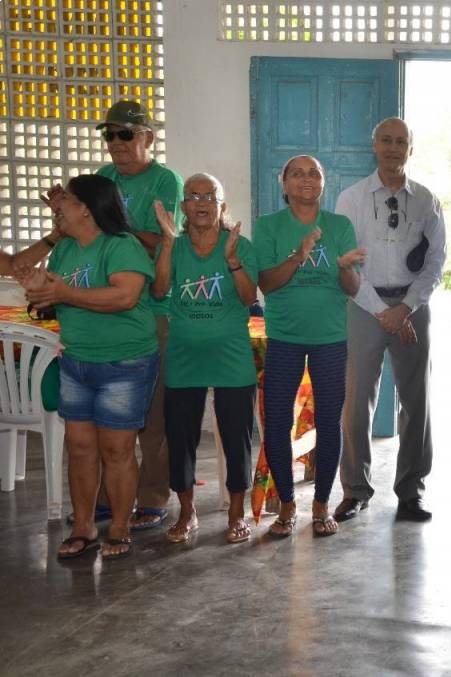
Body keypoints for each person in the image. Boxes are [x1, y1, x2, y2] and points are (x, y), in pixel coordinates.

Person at [20, 174, 159, 560]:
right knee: (80, 448)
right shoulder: (65, 249)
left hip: (124, 362)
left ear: (85, 208)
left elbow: (124, 296)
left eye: (65, 198)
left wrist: (63, 292)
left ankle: (119, 527)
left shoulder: (121, 245)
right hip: (77, 359)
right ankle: (83, 528)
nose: (57, 205)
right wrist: (41, 292)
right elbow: (59, 298)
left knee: (117, 450)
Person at [333, 118, 445, 523]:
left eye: (401, 142)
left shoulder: (427, 200)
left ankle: (412, 491)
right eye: (386, 140)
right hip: (364, 305)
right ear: (374, 145)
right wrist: (382, 310)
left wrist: (406, 307)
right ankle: (355, 490)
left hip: (412, 306)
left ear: (410, 149)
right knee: (356, 400)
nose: (393, 147)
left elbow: (435, 262)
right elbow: (345, 262)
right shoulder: (351, 198)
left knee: (416, 401)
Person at [253, 155, 365, 537]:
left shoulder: (339, 226)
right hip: (284, 338)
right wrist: (299, 255)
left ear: (323, 182)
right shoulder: (268, 226)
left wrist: (345, 268)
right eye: (297, 174)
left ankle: (321, 505)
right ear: (283, 184)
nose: (306, 179)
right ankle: (286, 505)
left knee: (329, 422)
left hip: (330, 338)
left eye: (314, 173)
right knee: (277, 423)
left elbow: (353, 289)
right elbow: (267, 283)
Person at [152, 173, 258, 544]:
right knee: (180, 437)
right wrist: (167, 244)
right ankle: (187, 512)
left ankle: (236, 513)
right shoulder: (174, 246)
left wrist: (232, 262)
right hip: (184, 356)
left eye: (209, 196)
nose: (201, 202)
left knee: (237, 436)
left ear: (222, 205)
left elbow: (249, 298)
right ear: (183, 206)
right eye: (193, 196)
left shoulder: (239, 245)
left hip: (231, 356)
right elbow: (160, 290)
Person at [95, 99, 185, 531]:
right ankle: (107, 497)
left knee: (152, 413)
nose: (116, 142)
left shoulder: (166, 181)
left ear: (148, 137)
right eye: (110, 135)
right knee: (105, 412)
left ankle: (152, 496)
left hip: (154, 308)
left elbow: (166, 240)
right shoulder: (102, 178)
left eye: (125, 134)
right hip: (108, 305)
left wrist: (116, 227)